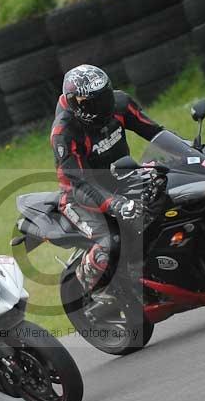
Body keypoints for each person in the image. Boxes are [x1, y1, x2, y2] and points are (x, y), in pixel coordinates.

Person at [51, 64, 165, 290]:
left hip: (123, 177)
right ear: (78, 104)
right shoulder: (65, 132)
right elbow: (78, 183)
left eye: (105, 95)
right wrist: (115, 205)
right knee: (110, 243)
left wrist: (190, 150)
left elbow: (157, 133)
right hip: (80, 196)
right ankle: (83, 286)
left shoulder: (120, 104)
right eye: (96, 101)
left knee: (165, 193)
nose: (105, 104)